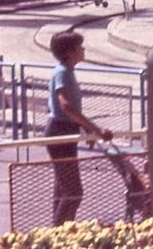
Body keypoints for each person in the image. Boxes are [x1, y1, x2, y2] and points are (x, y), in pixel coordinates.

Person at [44, 31, 112, 226]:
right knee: (73, 192)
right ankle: (58, 233)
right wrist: (96, 129)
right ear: (69, 52)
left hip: (67, 130)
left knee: (63, 189)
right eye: (79, 47)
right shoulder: (62, 73)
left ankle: (57, 232)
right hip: (60, 132)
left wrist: (85, 130)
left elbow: (68, 109)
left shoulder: (66, 71)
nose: (83, 49)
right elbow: (66, 106)